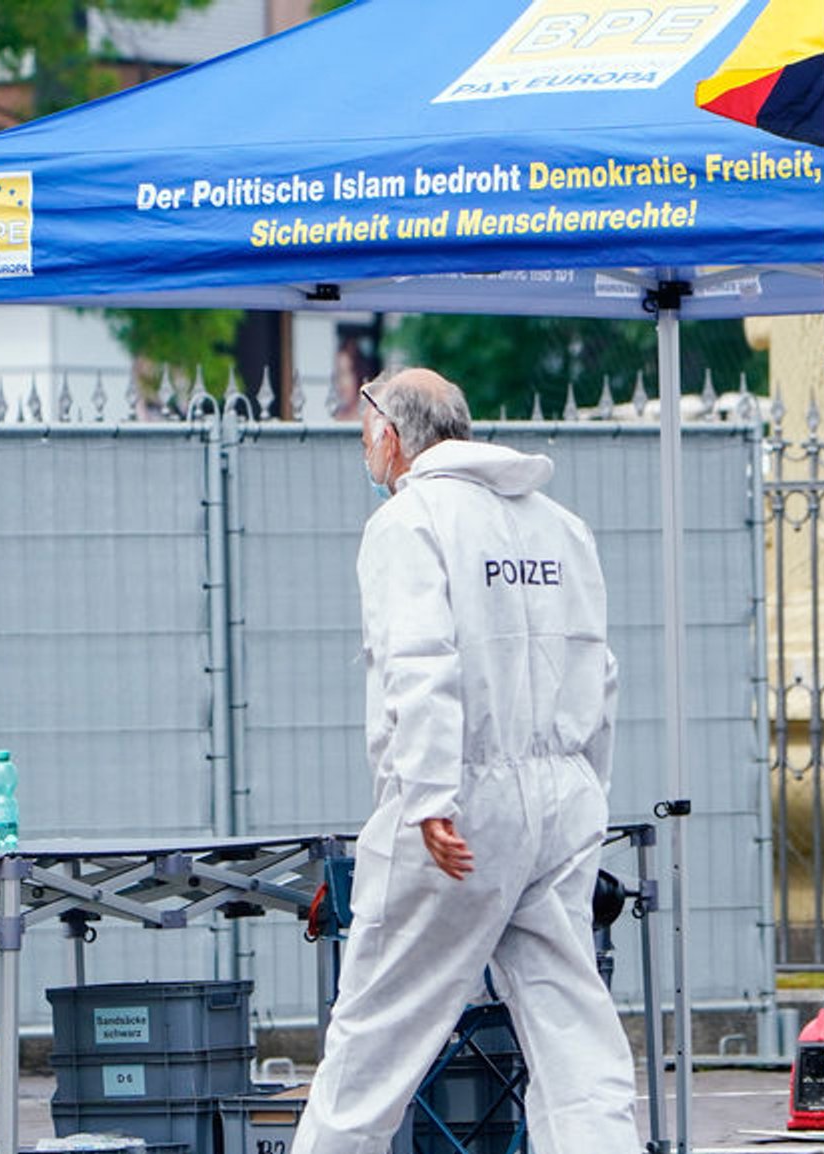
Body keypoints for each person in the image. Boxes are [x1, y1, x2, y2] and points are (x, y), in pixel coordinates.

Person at [293, 368, 639, 1154]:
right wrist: (588, 792)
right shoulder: (559, 525)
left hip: (460, 802)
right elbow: (599, 672)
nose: (366, 456)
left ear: (388, 433)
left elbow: (419, 660)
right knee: (572, 1030)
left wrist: (426, 795)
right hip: (561, 798)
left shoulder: (409, 521)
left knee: (377, 1030)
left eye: (363, 438)